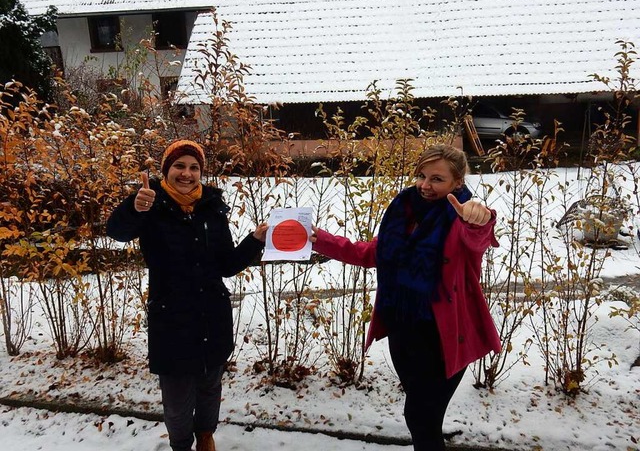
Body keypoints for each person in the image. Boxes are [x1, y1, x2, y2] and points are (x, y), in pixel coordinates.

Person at [310, 144, 501, 451]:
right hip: (403, 331)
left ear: (457, 183)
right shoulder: (404, 212)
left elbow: (478, 236)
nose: (425, 185)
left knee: (419, 416)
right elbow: (370, 253)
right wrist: (318, 238)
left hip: (444, 337)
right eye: (421, 176)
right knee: (422, 418)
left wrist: (481, 218)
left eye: (437, 179)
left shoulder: (461, 218)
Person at [106, 140, 267, 451]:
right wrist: (133, 207)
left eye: (194, 167)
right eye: (179, 166)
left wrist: (255, 240)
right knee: (178, 398)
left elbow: (226, 264)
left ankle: (206, 436)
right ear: (167, 169)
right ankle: (181, 445)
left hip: (212, 315)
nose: (187, 173)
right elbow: (117, 231)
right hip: (172, 318)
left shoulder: (212, 208)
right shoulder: (150, 204)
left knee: (210, 387)